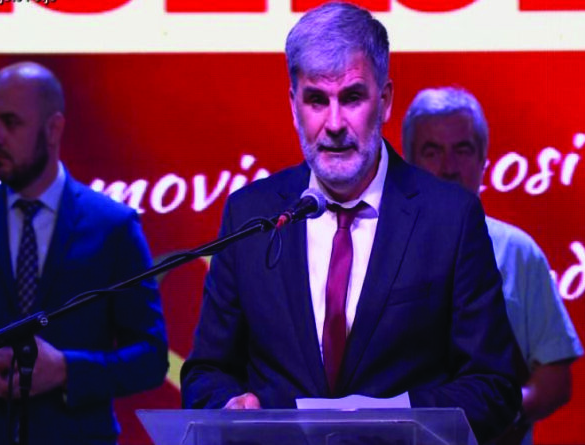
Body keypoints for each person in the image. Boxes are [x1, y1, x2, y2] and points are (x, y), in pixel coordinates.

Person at [180, 2, 521, 441]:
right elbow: (206, 373)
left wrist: (396, 420)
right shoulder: (250, 214)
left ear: (385, 101)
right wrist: (226, 405)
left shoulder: (450, 219)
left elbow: (494, 386)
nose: (335, 124)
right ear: (293, 104)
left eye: (352, 98)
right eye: (316, 100)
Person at [0, 61, 169, 445]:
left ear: (53, 129)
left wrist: (68, 369)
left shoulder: (112, 227)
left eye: (11, 122)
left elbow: (150, 358)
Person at [402, 86, 584, 444]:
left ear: (484, 159)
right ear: (408, 162)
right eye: (432, 152)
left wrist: (501, 413)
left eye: (462, 150)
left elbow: (555, 377)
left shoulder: (518, 252)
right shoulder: (376, 248)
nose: (448, 168)